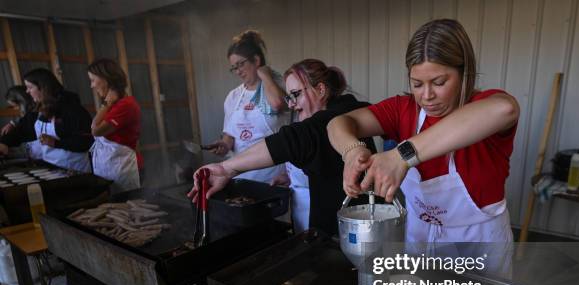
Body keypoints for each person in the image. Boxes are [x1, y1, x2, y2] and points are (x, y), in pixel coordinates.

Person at [328, 19, 520, 251]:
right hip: (420, 237)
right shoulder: (403, 110)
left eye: (439, 82)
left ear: (464, 74)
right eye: (417, 84)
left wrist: (401, 155)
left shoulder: (483, 105)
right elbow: (338, 123)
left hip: (479, 243)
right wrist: (352, 151)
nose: (427, 95)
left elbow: (505, 109)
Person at [189, 59, 377, 236]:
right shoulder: (348, 110)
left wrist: (226, 168)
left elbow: (290, 140)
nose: (292, 104)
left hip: (350, 232)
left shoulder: (333, 118)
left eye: (296, 94)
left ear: (320, 90)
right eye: (290, 97)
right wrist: (290, 175)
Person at [206, 30, 290, 184]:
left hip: (275, 177)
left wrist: (264, 74)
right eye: (233, 68)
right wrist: (223, 145)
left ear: (256, 60)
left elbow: (278, 104)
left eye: (240, 64)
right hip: (241, 177)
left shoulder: (279, 85)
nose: (238, 71)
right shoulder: (233, 97)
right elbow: (229, 137)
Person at [0, 68, 93, 172]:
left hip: (74, 169)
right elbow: (22, 129)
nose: (27, 91)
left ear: (43, 88)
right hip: (51, 168)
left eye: (30, 87)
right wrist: (4, 143)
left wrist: (55, 143)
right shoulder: (38, 109)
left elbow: (85, 142)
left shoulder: (72, 109)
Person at [88, 58, 142, 192]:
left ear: (106, 79)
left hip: (121, 171)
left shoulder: (126, 105)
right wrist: (108, 104)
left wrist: (107, 104)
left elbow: (95, 130)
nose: (92, 85)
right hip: (109, 169)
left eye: (93, 80)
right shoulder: (114, 104)